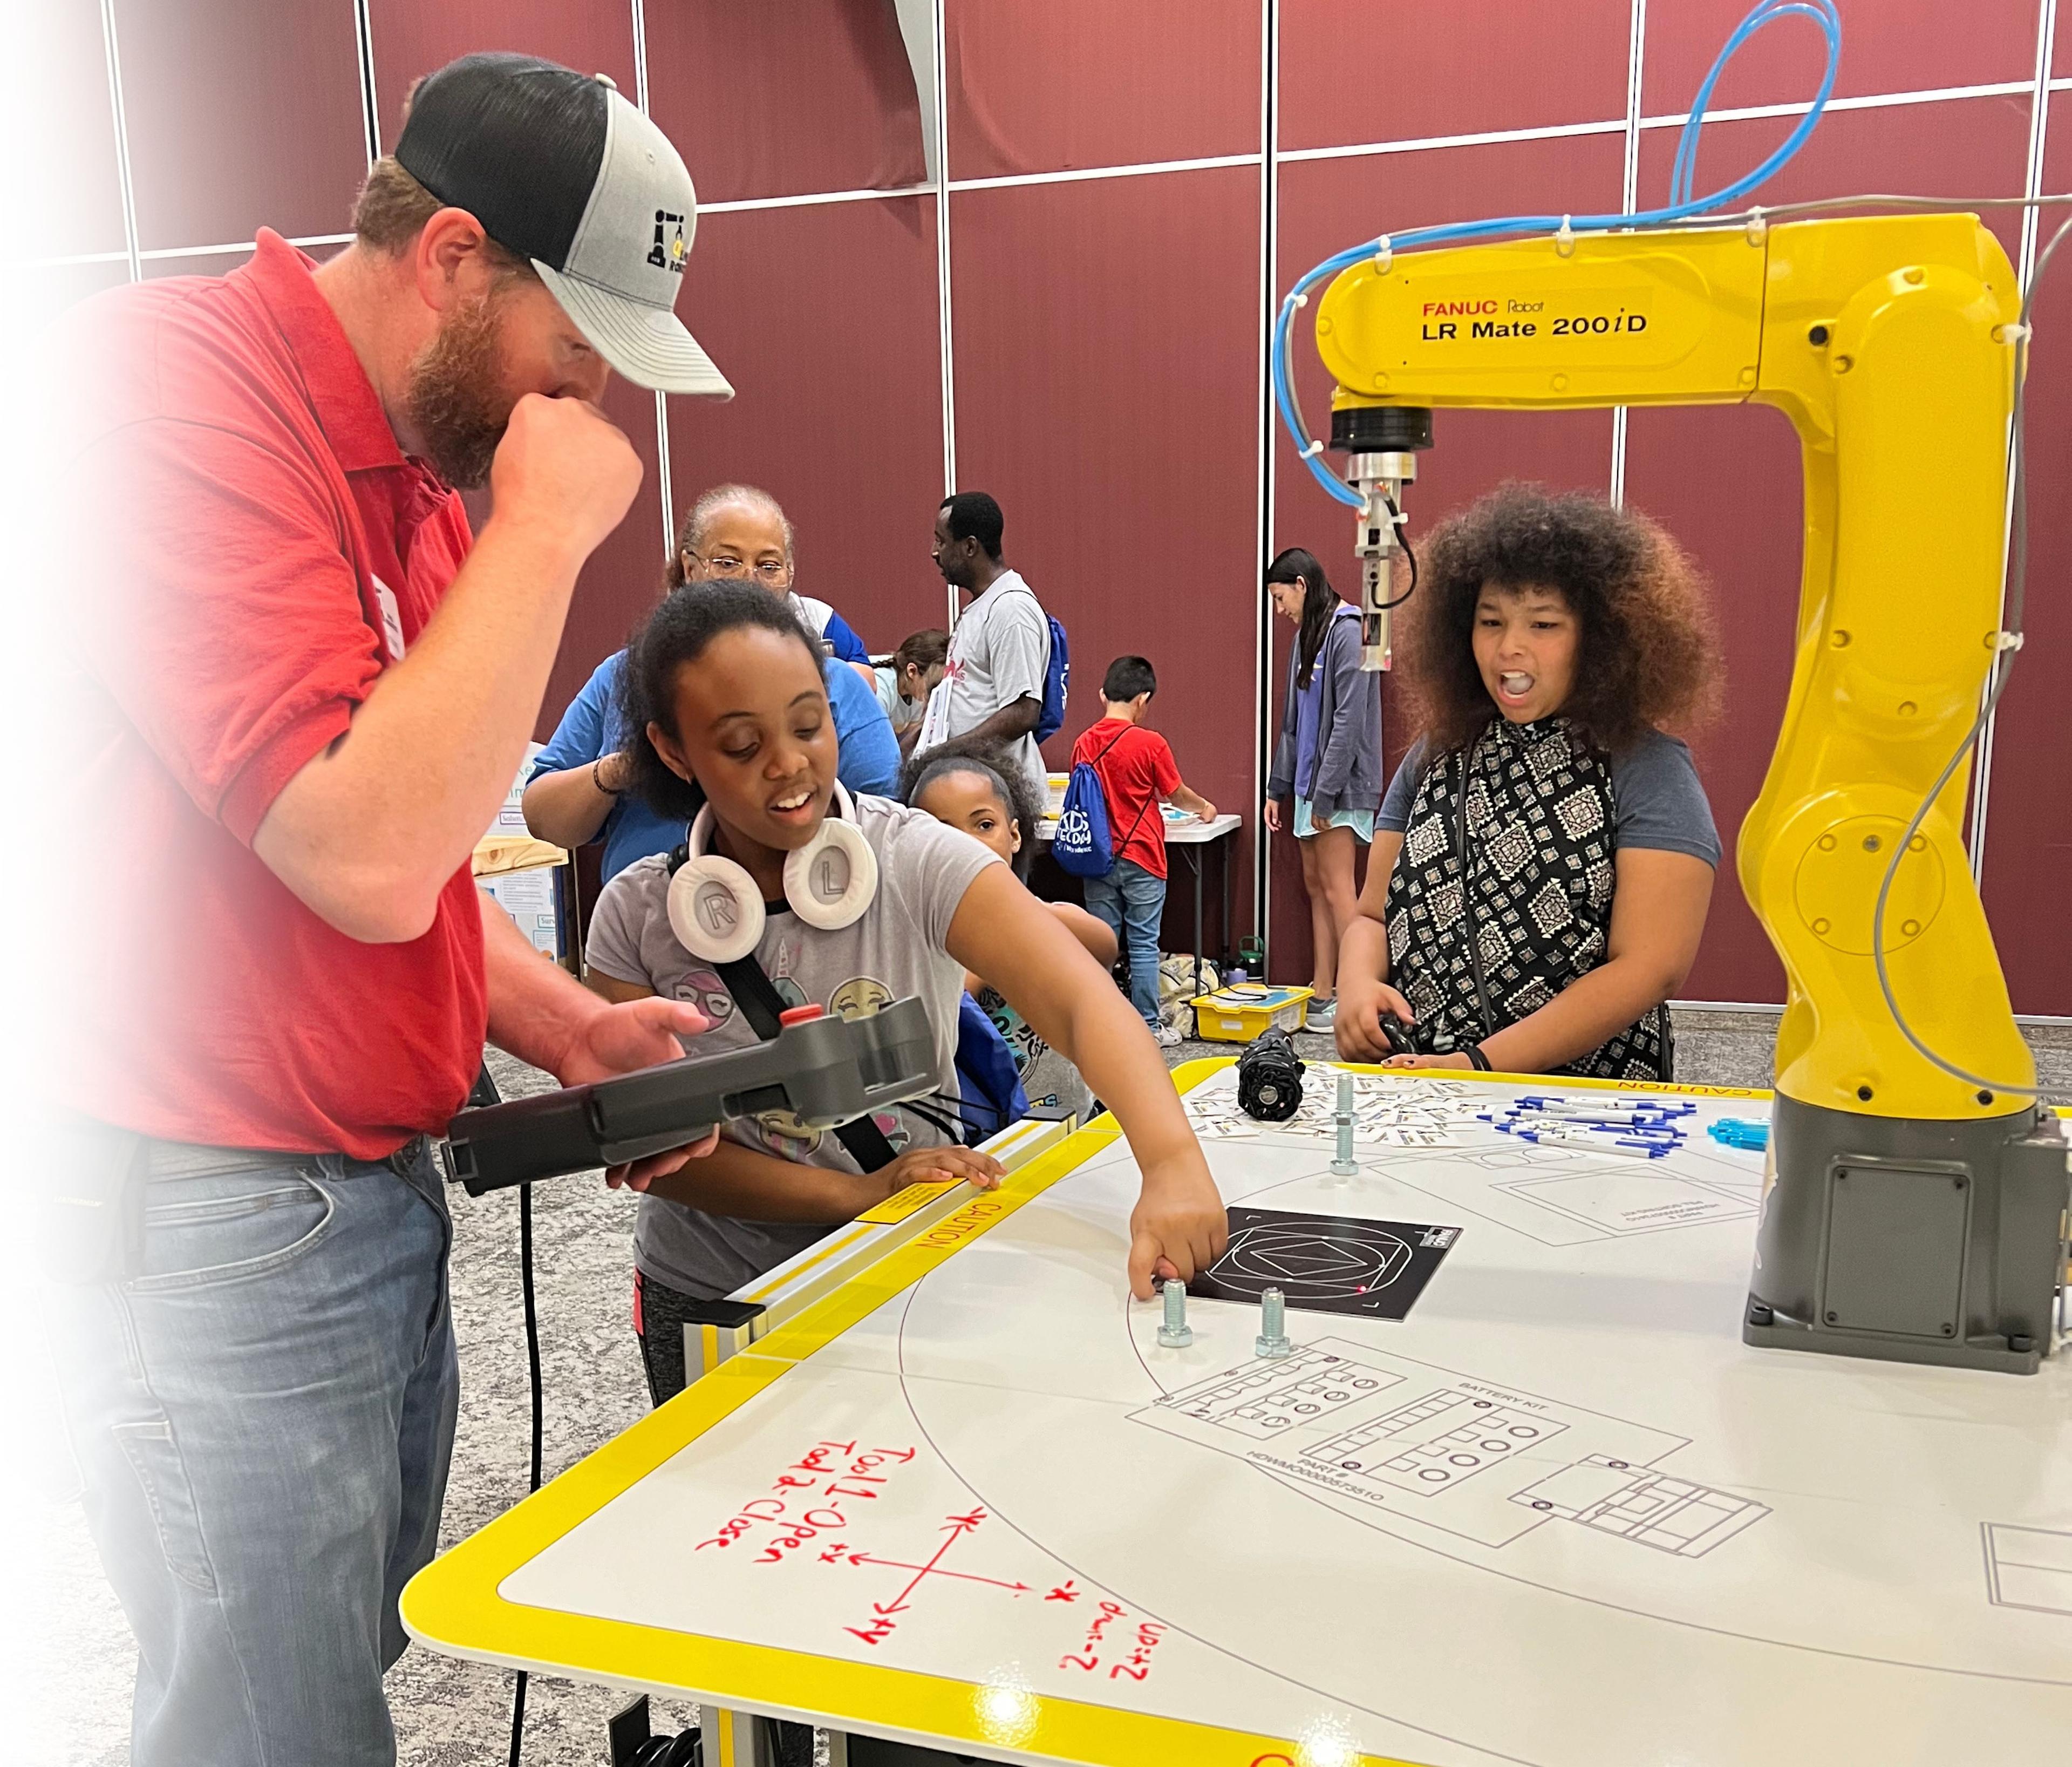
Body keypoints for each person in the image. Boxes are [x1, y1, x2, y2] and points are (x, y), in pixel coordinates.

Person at [43, 55, 729, 1767]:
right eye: (573, 353)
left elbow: (416, 868)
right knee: (266, 1723)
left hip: (354, 1186)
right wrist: (548, 536)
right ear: (452, 260)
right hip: (211, 1200)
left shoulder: (413, 485)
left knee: (323, 1656)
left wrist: (561, 1020)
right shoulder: (163, 398)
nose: (585, 408)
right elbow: (348, 842)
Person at [1334, 485, 1721, 1079]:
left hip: (1581, 1109)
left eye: (1544, 624)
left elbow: (1650, 966)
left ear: (1602, 639)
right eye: (1491, 621)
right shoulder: (1435, 755)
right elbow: (1372, 916)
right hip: (1423, 1083)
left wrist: (1482, 1063)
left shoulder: (1647, 767)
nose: (1509, 647)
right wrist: (1357, 984)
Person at [523, 485, 899, 879]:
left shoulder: (839, 686)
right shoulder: (621, 678)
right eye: (727, 562)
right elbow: (544, 820)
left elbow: (886, 826)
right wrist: (627, 768)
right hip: (650, 924)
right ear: (690, 569)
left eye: (768, 566)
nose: (748, 580)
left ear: (789, 575)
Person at [902, 735, 1116, 1118]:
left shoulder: (1042, 915)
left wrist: (1022, 918)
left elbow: (1104, 945)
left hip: (1066, 1122)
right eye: (943, 832)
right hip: (979, 1130)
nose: (965, 845)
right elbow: (950, 1004)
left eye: (983, 825)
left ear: (1014, 835)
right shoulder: (919, 935)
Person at [1264, 547, 1384, 1035]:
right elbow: (1293, 723)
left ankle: (1360, 994)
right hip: (1310, 786)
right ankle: (1322, 992)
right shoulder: (1306, 638)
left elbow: (1348, 722)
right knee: (1315, 885)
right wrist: (1279, 787)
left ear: (1302, 584)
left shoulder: (1351, 632)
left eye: (1280, 597)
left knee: (1340, 889)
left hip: (1341, 788)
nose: (1279, 610)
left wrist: (1328, 793)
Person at [1069, 657, 1217, 1047]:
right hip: (1143, 857)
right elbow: (1175, 795)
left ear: (1103, 695)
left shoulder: (1084, 742)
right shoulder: (1151, 744)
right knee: (1143, 945)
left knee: (1101, 943)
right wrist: (1204, 806)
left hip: (1097, 857)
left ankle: (1097, 1025)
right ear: (1143, 699)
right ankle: (1148, 1027)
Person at [917, 491, 1051, 793]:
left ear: (970, 547)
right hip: (974, 791)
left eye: (941, 541)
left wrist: (946, 754)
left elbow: (1023, 712)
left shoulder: (1010, 610)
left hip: (1002, 799)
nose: (934, 552)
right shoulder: (983, 606)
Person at [875, 627, 949, 757]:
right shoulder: (880, 688)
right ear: (912, 671)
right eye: (934, 684)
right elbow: (874, 744)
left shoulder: (915, 696)